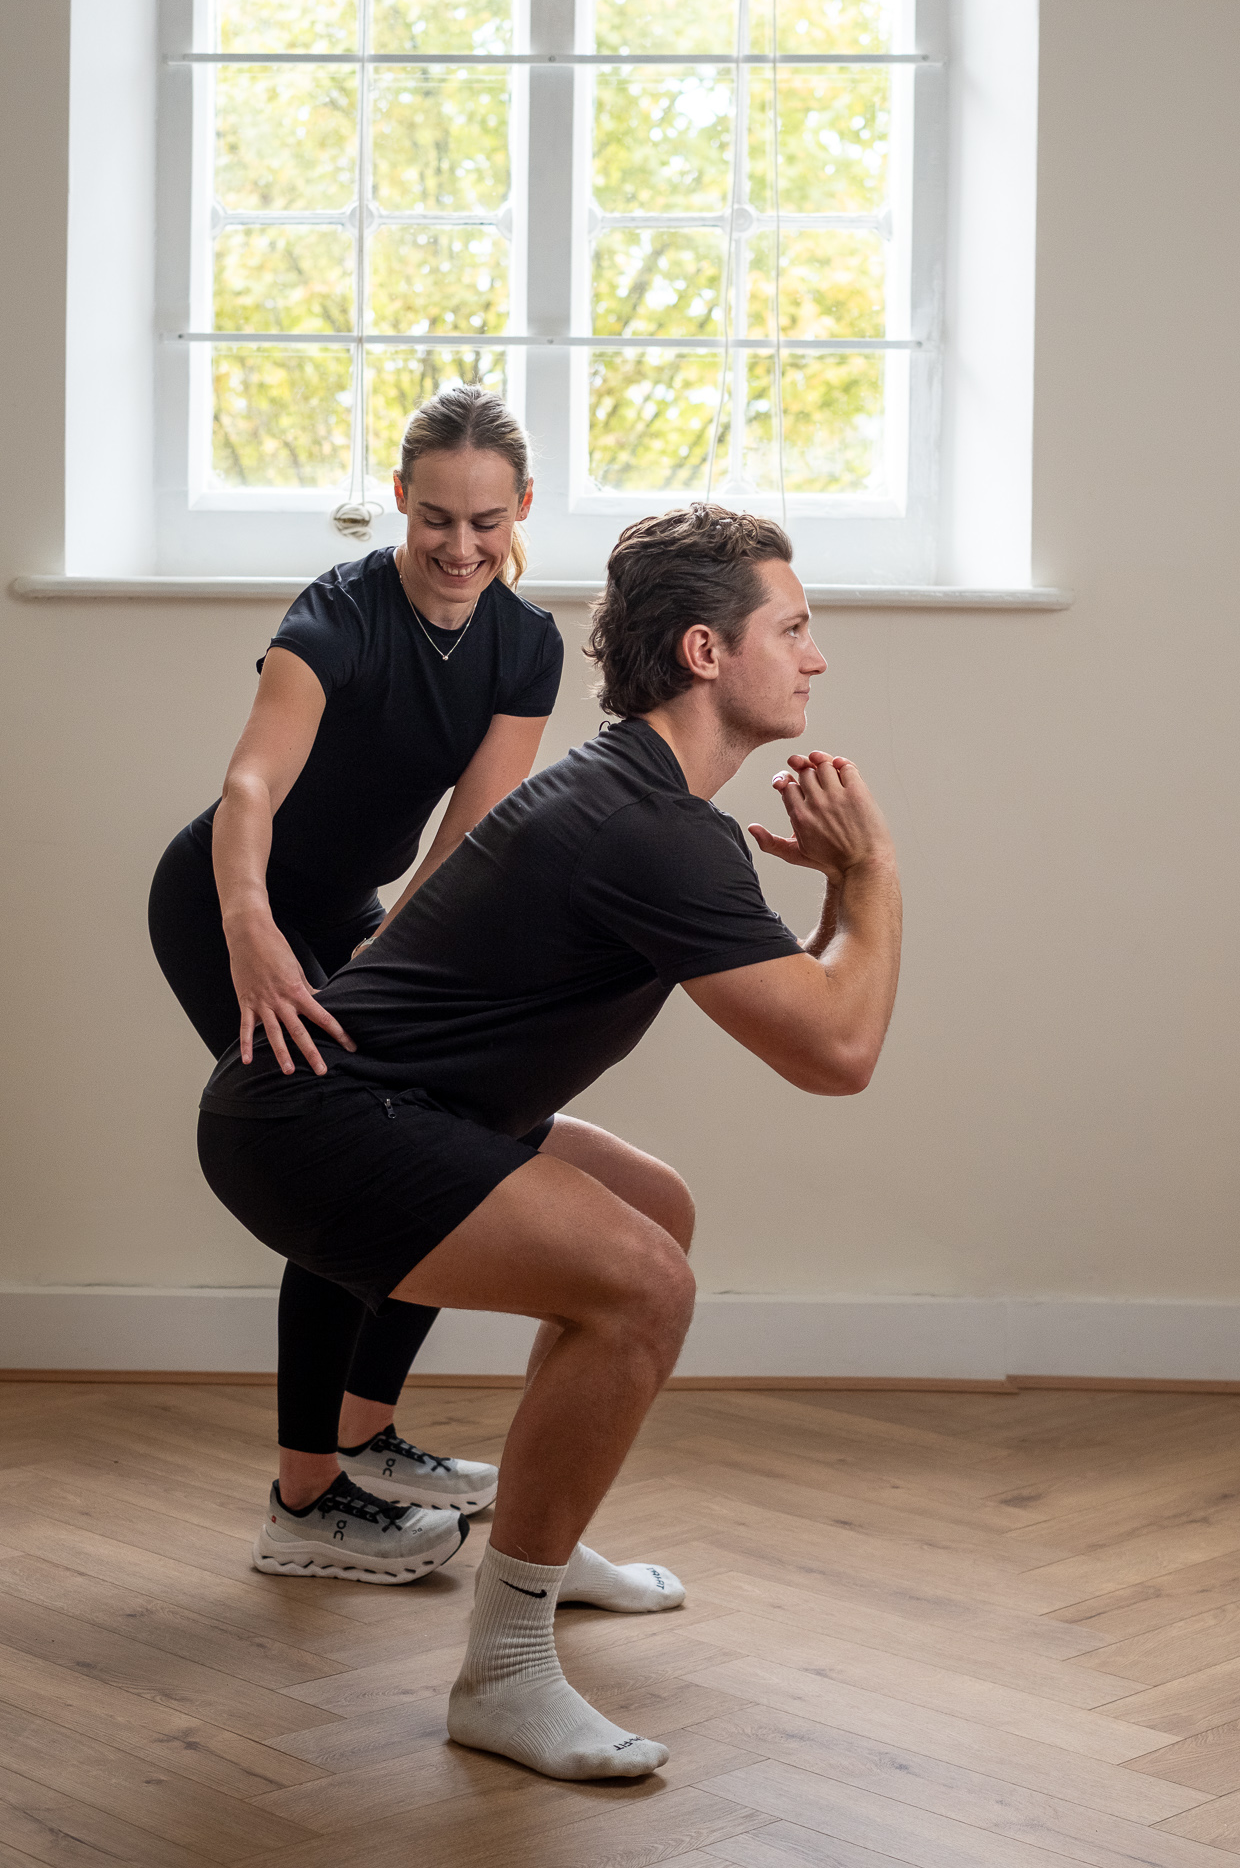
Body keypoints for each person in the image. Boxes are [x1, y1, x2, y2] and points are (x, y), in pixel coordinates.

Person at [196, 503, 902, 1779]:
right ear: (704, 649)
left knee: (656, 1212)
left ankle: (542, 1533)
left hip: (386, 1102)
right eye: (793, 628)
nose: (815, 655)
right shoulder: (651, 825)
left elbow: (807, 1018)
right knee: (644, 1285)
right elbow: (837, 1055)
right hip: (315, 1117)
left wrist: (846, 895)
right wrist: (877, 875)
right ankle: (505, 1668)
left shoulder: (643, 792)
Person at [150, 386, 562, 1574]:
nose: (459, 545)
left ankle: (365, 1432)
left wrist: (390, 966)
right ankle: (303, 1499)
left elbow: (467, 840)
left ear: (521, 508)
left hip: (355, 918)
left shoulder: (522, 645)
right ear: (399, 499)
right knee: (342, 1151)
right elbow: (248, 792)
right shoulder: (339, 613)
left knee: (443, 1127)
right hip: (222, 899)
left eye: (486, 519)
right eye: (435, 515)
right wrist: (248, 926)